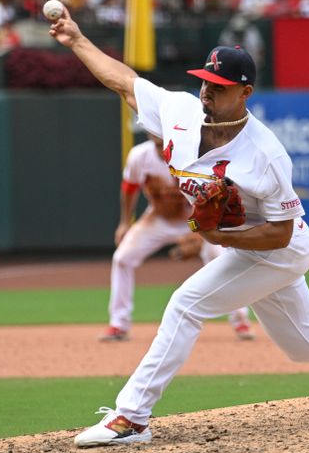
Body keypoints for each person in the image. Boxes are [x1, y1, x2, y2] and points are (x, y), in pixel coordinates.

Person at [47, 7, 309, 448]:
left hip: (279, 248)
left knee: (186, 305)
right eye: (205, 81)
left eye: (220, 86)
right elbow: (124, 82)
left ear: (245, 92)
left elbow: (281, 234)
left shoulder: (265, 155)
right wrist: (77, 40)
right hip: (247, 248)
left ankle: (131, 418)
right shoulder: (180, 111)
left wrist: (215, 237)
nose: (207, 91)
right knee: (307, 344)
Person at [101, 133, 254, 342]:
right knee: (122, 258)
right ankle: (118, 324)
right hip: (157, 219)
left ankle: (240, 320)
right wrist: (125, 222)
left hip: (193, 220)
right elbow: (129, 188)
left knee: (222, 259)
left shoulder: (189, 155)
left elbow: (211, 198)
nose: (155, 134)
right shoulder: (140, 155)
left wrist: (201, 234)